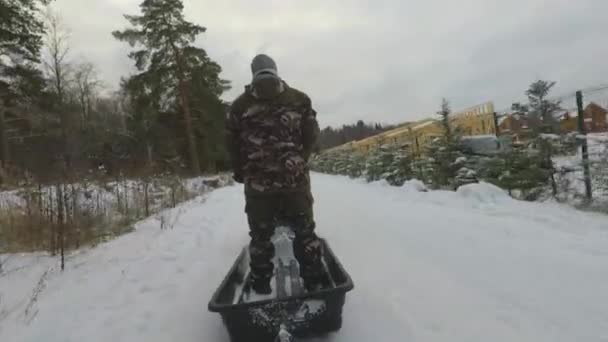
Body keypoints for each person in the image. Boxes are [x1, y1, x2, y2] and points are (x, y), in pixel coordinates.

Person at [226, 54, 323, 294]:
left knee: (260, 237)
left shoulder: (239, 106)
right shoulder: (300, 99)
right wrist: (299, 161)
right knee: (305, 233)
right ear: (275, 70)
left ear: (253, 73)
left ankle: (260, 286)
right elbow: (310, 135)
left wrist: (242, 171)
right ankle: (315, 282)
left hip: (258, 186)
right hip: (295, 182)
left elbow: (232, 144)